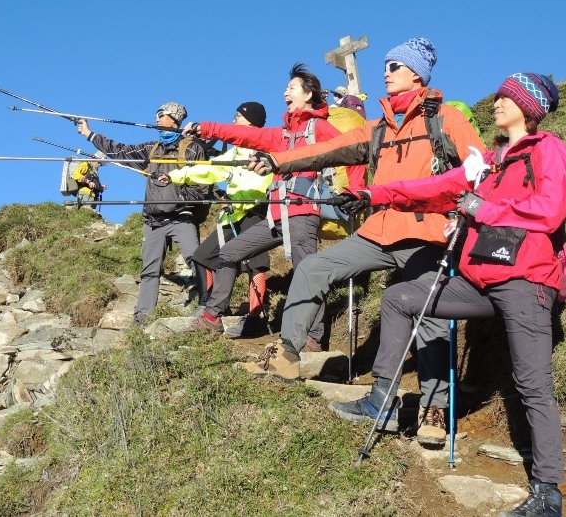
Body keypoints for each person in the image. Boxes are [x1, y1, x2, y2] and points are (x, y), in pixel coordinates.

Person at [336, 73, 566, 517]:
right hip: (478, 279)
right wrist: (375, 194)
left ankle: (547, 493)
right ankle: (382, 401)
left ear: (529, 106)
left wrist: (481, 209)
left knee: (532, 384)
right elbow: (435, 188)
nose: (498, 102)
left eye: (508, 97)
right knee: (400, 298)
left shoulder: (548, 149)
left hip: (527, 280)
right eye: (501, 94)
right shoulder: (486, 162)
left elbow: (551, 209)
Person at [243, 38, 486, 443]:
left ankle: (434, 410)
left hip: (427, 234)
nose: (386, 71)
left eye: (395, 66)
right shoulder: (378, 128)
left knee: (428, 312)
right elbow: (327, 150)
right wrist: (276, 160)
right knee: (312, 268)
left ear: (417, 74)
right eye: (386, 65)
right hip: (377, 232)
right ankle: (287, 355)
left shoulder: (446, 120)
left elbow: (479, 169)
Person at [181, 63, 361, 336]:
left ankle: (313, 338)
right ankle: (212, 317)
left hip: (303, 212)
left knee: (306, 273)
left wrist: (356, 192)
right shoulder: (281, 134)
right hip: (276, 215)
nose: (285, 92)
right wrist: (207, 129)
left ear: (307, 95)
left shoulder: (319, 129)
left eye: (291, 88)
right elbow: (247, 134)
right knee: (228, 253)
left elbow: (354, 153)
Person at [76, 102, 210, 325]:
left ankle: (210, 305)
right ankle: (142, 320)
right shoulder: (151, 148)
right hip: (153, 220)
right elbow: (120, 151)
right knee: (149, 270)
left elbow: (202, 185)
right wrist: (89, 134)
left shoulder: (193, 148)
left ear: (174, 119)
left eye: (161, 115)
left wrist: (180, 198)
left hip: (182, 216)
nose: (156, 119)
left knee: (195, 259)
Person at [167, 102, 273, 336]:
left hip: (255, 212)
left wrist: (239, 200)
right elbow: (211, 168)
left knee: (255, 264)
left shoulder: (265, 144)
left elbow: (262, 184)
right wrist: (177, 175)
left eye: (238, 116)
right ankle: (211, 307)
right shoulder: (235, 150)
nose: (234, 119)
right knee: (205, 255)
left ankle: (254, 315)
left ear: (250, 120)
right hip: (233, 214)